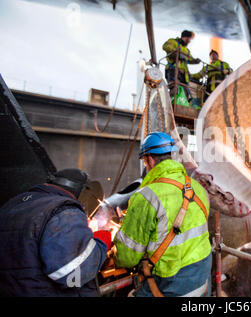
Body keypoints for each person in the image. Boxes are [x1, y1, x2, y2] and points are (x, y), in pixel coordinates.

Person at [113, 132, 212, 297]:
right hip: (202, 278)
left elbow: (127, 258)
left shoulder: (146, 196)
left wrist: (114, 250)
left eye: (145, 162)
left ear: (149, 160)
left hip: (173, 284)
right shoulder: (197, 188)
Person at [0, 169, 112, 296]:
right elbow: (72, 274)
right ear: (85, 193)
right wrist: (100, 244)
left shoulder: (12, 205)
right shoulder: (65, 210)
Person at [162, 30, 201, 100]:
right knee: (175, 88)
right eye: (189, 39)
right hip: (173, 70)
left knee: (186, 92)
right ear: (184, 37)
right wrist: (176, 53)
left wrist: (195, 61)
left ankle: (182, 105)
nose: (189, 41)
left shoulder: (186, 50)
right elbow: (165, 46)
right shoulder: (173, 42)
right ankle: (171, 104)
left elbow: (190, 59)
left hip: (184, 75)